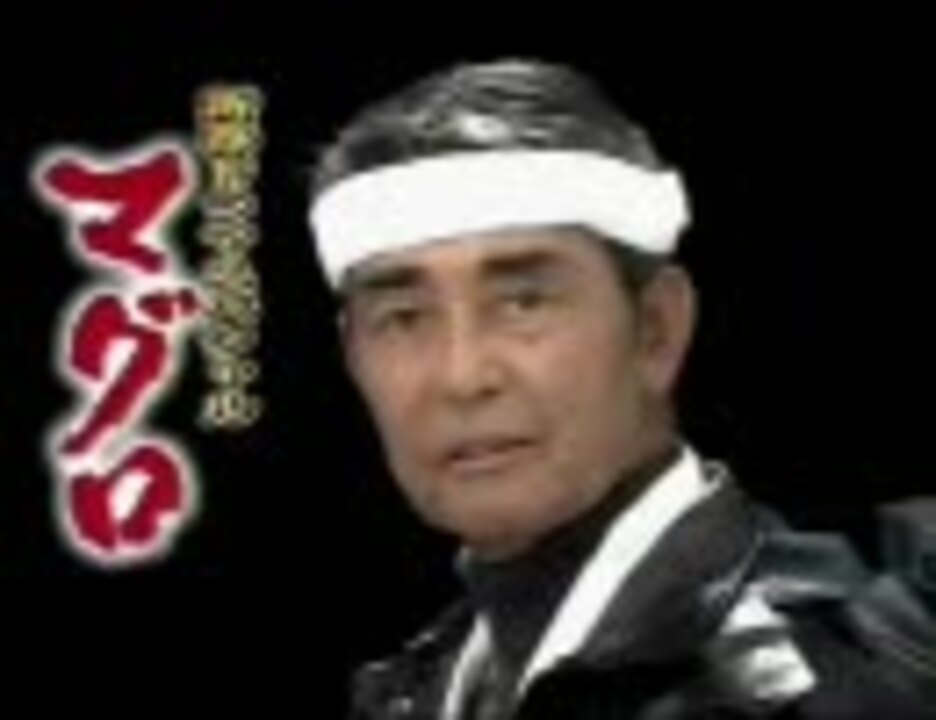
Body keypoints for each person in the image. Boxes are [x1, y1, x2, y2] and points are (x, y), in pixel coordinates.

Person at [307, 58, 934, 719]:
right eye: (404, 318)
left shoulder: (829, 687)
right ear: (353, 357)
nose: (463, 376)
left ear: (656, 329)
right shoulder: (420, 689)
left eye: (523, 302)